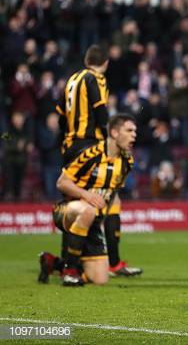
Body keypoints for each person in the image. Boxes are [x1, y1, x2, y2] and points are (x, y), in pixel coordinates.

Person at [55, 45, 141, 277]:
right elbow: (101, 113)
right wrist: (107, 140)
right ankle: (98, 263)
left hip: (70, 144)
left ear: (86, 59)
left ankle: (67, 263)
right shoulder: (97, 78)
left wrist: (64, 143)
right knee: (104, 202)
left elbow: (61, 117)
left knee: (77, 204)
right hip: (90, 144)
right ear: (105, 63)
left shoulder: (71, 80)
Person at [38, 114, 136, 286]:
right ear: (114, 133)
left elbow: (113, 196)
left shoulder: (127, 162)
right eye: (129, 130)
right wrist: (86, 195)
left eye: (135, 131)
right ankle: (70, 271)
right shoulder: (91, 154)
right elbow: (61, 182)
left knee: (100, 279)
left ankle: (53, 263)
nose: (134, 134)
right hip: (67, 211)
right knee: (88, 209)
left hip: (92, 222)